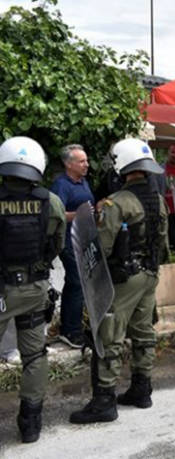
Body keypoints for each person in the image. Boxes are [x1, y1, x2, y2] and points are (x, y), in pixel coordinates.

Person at [70, 138, 168, 424]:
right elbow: (162, 243)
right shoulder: (158, 200)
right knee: (143, 331)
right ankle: (142, 389)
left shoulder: (117, 203)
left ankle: (104, 402)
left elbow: (102, 247)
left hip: (124, 279)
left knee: (109, 335)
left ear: (121, 167)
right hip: (150, 274)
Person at [0, 137, 65, 443]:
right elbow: (57, 245)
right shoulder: (51, 202)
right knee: (34, 356)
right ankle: (30, 424)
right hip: (34, 289)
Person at [50, 144, 94, 349]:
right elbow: (56, 213)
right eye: (82, 161)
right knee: (76, 283)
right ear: (69, 164)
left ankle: (73, 324)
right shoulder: (61, 185)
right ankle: (71, 331)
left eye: (86, 160)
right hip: (68, 242)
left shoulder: (83, 182)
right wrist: (80, 215)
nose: (87, 164)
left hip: (84, 239)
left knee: (79, 284)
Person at [153, 143, 175, 251]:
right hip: (165, 211)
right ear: (168, 153)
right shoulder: (159, 170)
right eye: (173, 152)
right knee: (166, 239)